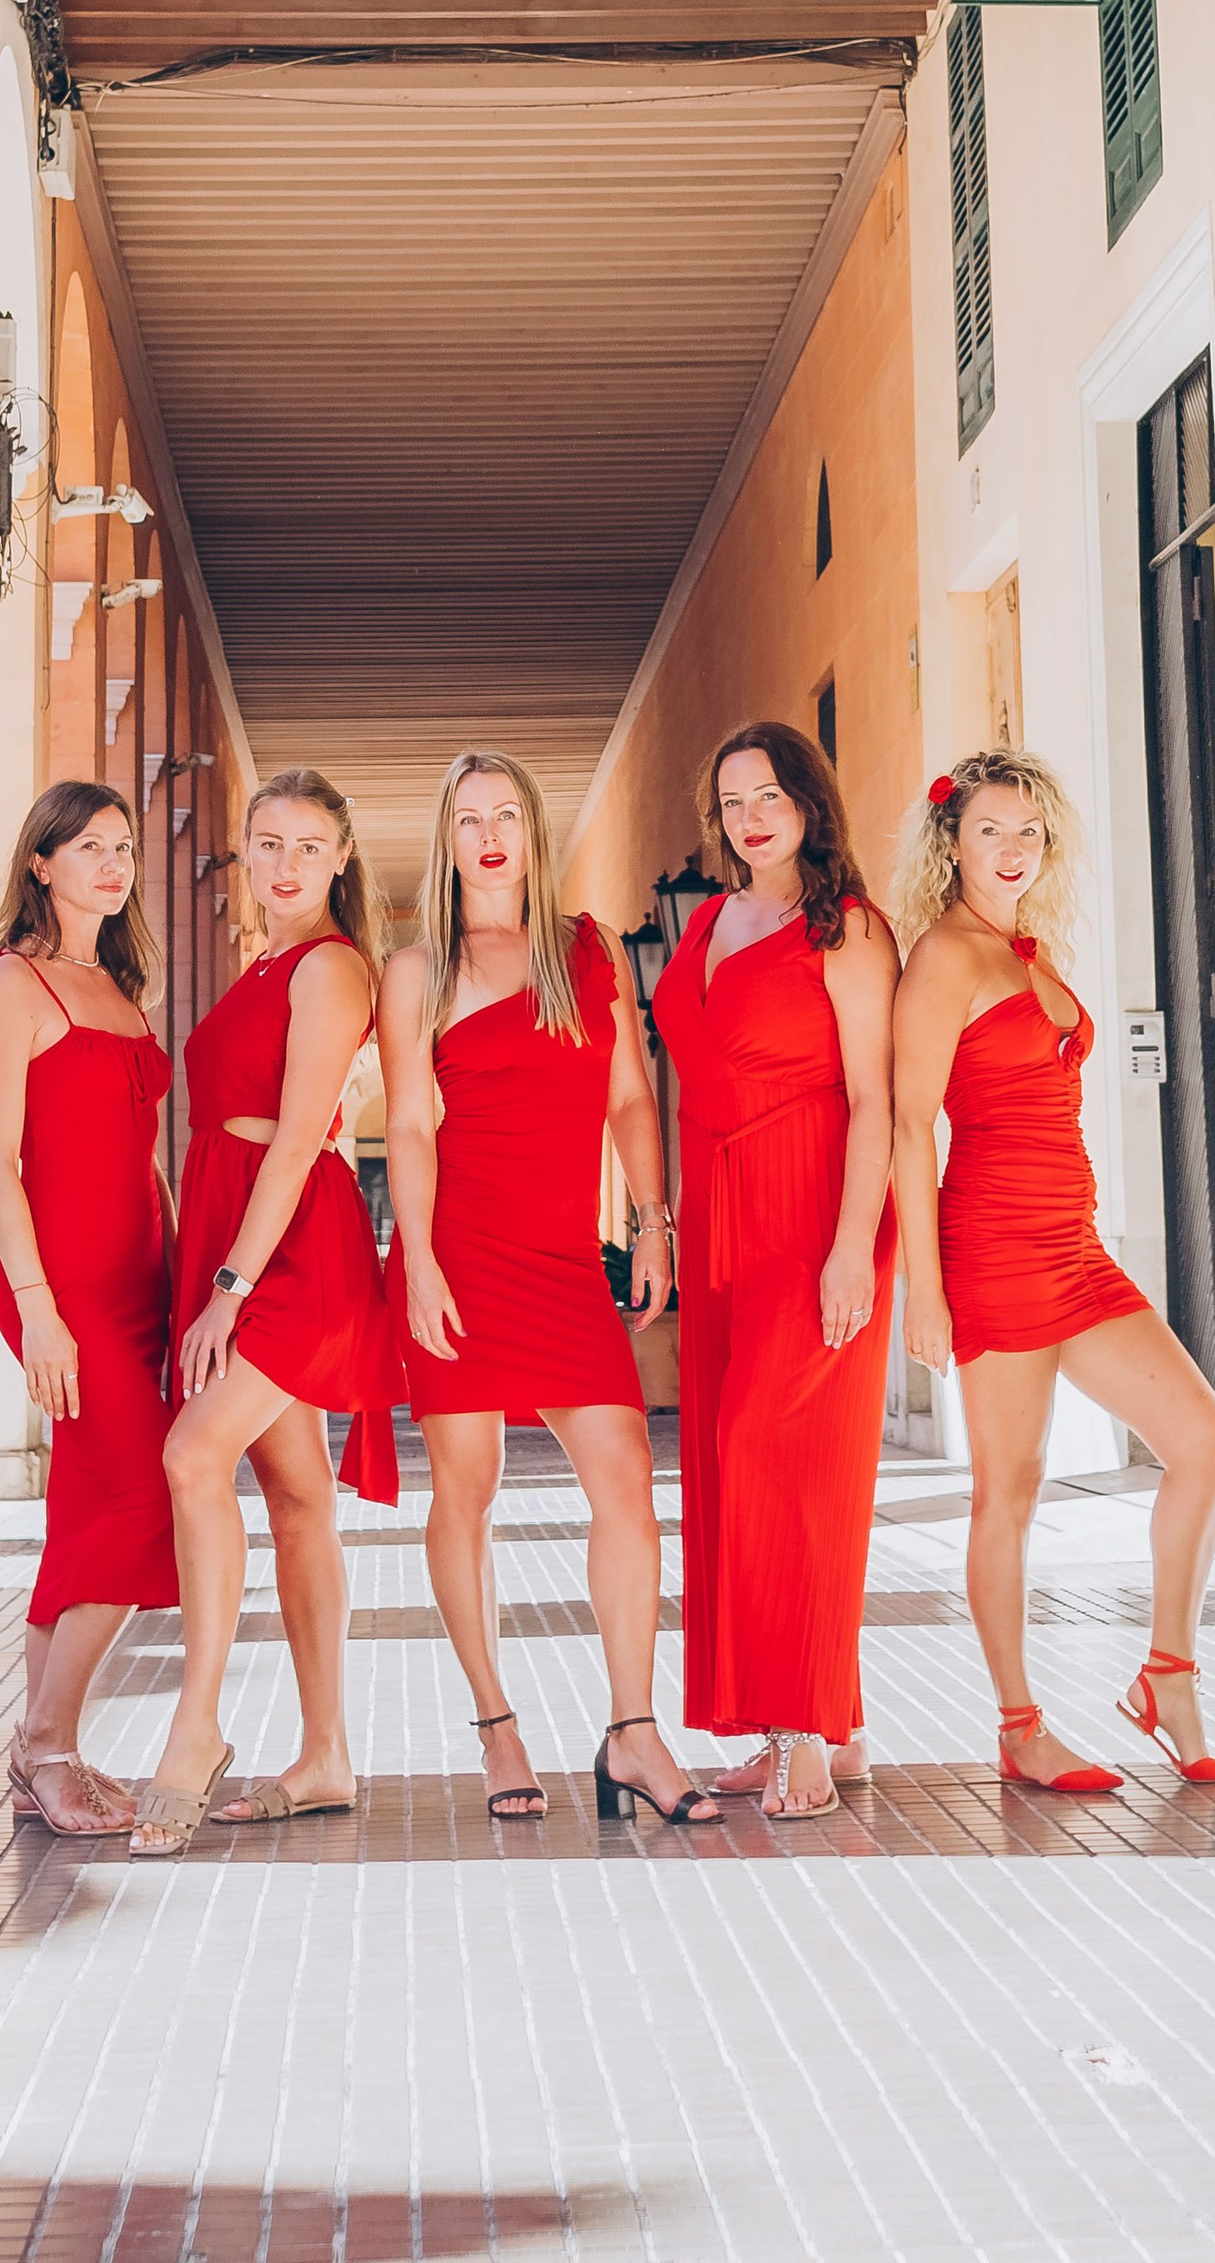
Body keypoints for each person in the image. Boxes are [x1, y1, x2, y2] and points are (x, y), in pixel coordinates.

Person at [891, 748, 1215, 1792]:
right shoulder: (944, 958)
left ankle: (1166, 1676)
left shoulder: (1031, 951)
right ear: (950, 843)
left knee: (1205, 1441)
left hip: (1075, 1248)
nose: (1010, 851)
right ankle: (1018, 1726)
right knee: (1008, 1490)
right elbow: (911, 1127)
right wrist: (926, 1285)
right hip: (993, 1250)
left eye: (1028, 833)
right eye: (989, 831)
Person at [380, 750, 718, 1829]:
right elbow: (413, 1125)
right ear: (447, 839)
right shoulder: (415, 971)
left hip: (565, 1260)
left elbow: (628, 1098)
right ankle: (495, 1724)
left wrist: (651, 1219)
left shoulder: (589, 952)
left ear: (533, 830)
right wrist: (420, 1257)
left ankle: (633, 1732)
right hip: (461, 1255)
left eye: (507, 816)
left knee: (623, 1471)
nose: (488, 837)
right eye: (468, 819)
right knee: (465, 1488)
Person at [131, 766, 398, 1858]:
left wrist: (229, 1290)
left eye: (305, 846)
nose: (283, 866)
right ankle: (325, 1751)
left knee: (194, 1457)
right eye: (266, 844)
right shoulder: (266, 963)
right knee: (295, 1495)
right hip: (237, 1232)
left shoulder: (331, 969)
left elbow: (295, 1140)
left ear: (340, 859)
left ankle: (195, 1730)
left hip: (294, 1251)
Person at [650, 718, 898, 1821]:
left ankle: (804, 1718)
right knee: (727, 1461)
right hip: (717, 1211)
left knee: (780, 1453)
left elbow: (874, 1100)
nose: (749, 819)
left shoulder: (842, 929)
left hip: (810, 1206)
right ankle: (803, 1725)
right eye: (732, 801)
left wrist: (854, 1244)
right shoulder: (705, 918)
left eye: (769, 798)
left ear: (807, 803)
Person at [0, 780, 180, 1838]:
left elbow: (146, 1164)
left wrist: (184, 1283)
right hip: (62, 1292)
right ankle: (45, 1745)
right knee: (146, 1501)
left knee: (86, 1515)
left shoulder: (119, 987)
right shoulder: (11, 983)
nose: (110, 862)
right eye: (86, 846)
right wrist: (40, 1310)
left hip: (140, 1286)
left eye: (123, 846)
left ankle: (47, 1748)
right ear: (40, 863)